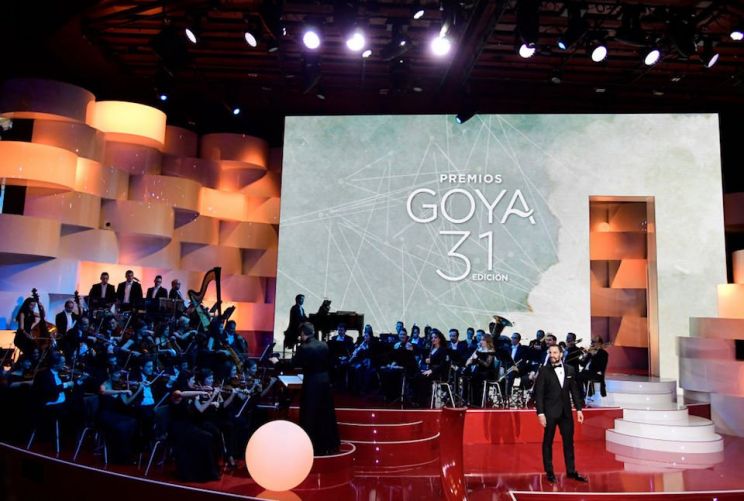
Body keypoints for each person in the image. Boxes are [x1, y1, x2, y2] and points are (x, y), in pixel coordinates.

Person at [534, 344, 587, 484]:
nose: (552, 355)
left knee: (569, 443)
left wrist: (579, 409)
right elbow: (539, 393)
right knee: (548, 442)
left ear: (561, 354)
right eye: (550, 352)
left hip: (566, 413)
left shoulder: (570, 369)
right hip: (550, 412)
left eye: (555, 352)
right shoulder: (544, 370)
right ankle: (550, 473)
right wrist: (540, 413)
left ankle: (571, 471)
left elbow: (574, 391)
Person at [287, 322, 339, 455]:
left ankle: (311, 444)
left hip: (311, 383)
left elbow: (293, 364)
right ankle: (328, 444)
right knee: (325, 413)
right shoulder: (324, 345)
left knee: (310, 413)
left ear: (302, 333)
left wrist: (277, 363)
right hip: (325, 382)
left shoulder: (304, 348)